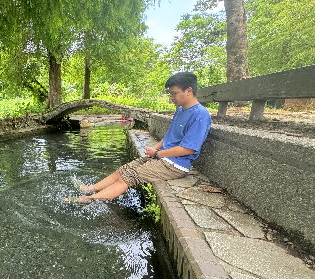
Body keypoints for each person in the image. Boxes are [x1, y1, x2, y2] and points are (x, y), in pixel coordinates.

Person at [68, 71, 212, 203]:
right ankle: (89, 188)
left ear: (189, 91)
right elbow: (170, 137)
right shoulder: (180, 110)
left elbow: (189, 149)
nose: (171, 98)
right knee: (122, 170)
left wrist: (157, 153)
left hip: (175, 165)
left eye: (174, 93)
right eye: (170, 94)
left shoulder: (200, 115)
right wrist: (154, 149)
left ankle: (89, 199)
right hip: (161, 158)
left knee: (127, 178)